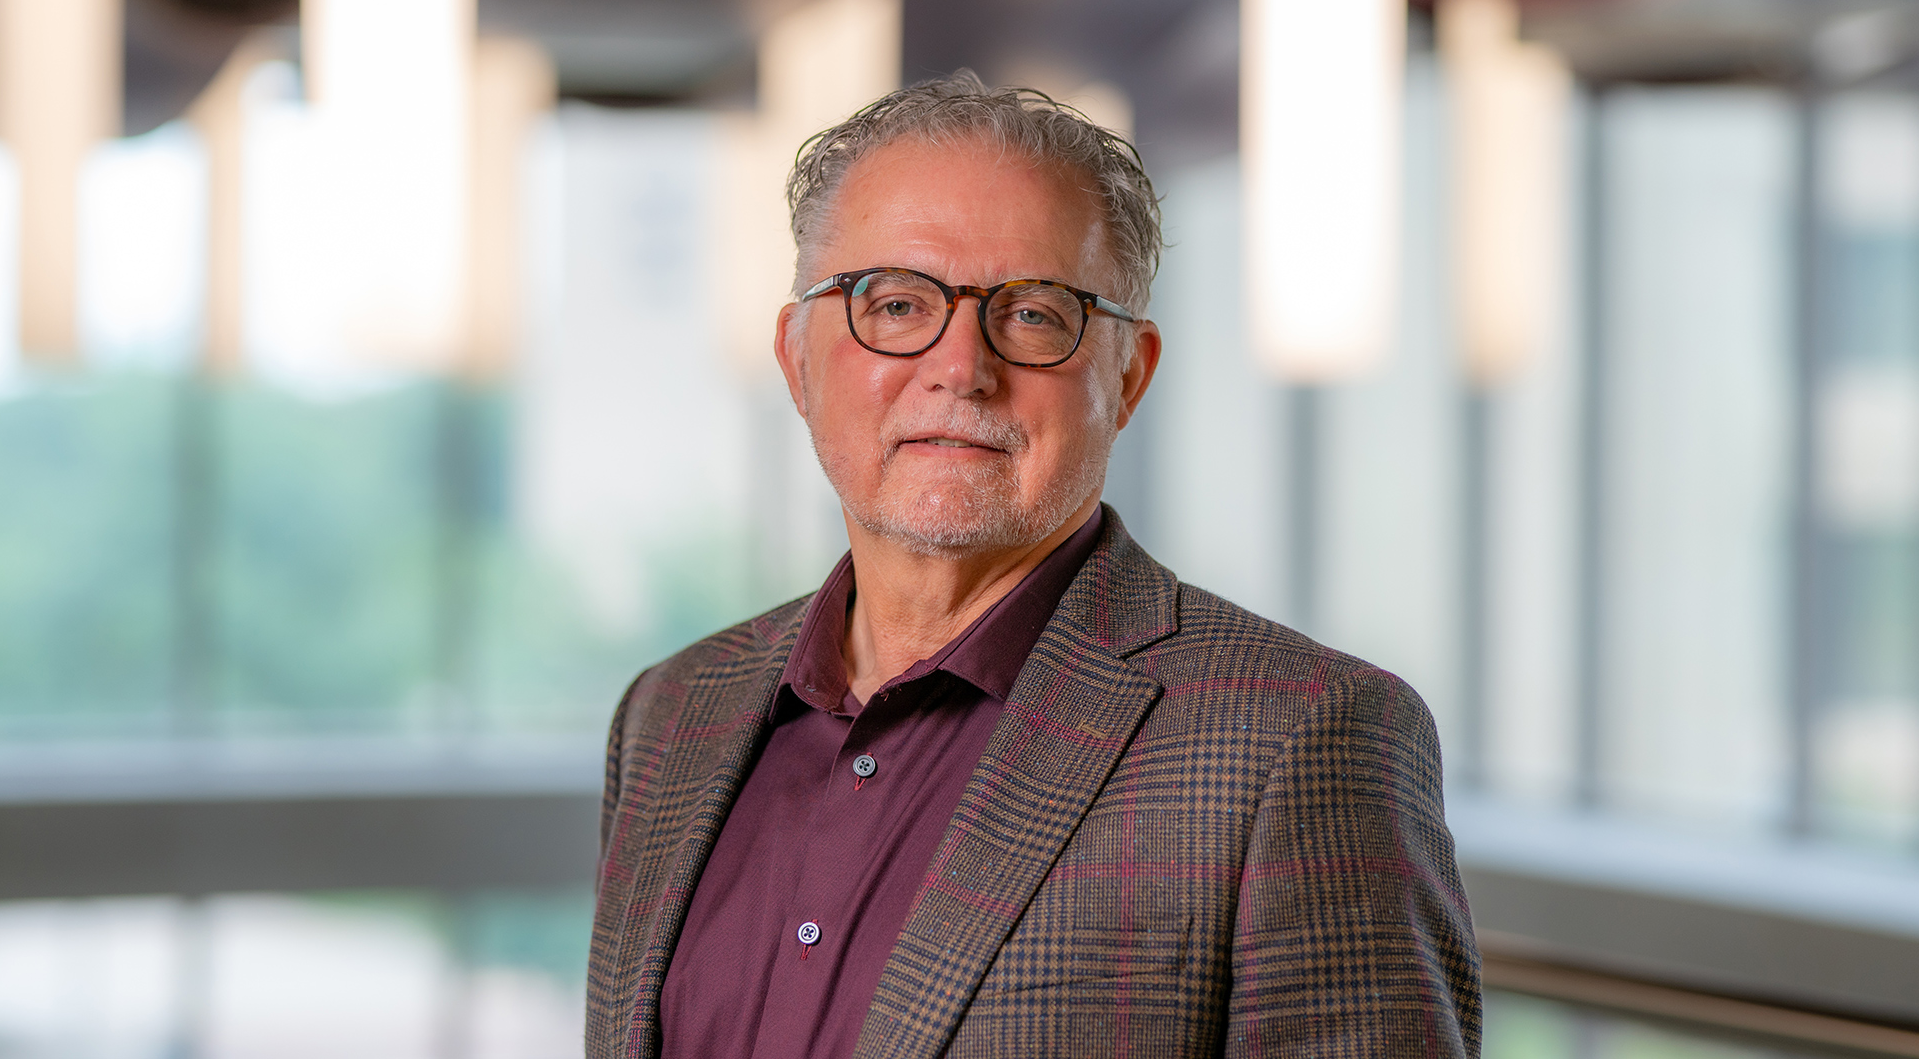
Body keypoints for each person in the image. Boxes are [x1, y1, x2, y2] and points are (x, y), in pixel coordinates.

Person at [585, 72, 1480, 1059]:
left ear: (1126, 376)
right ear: (798, 358)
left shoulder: (1299, 738)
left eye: (1032, 314)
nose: (960, 366)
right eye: (892, 304)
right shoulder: (671, 717)